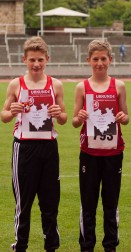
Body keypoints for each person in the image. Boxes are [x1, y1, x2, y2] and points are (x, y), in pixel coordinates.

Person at [0, 36, 67, 252]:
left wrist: (59, 113)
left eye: (40, 59)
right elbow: (4, 115)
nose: (36, 64)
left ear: (47, 59)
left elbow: (64, 118)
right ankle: (20, 245)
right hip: (24, 147)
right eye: (32, 60)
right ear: (24, 60)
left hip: (48, 147)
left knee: (50, 202)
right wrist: (12, 111)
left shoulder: (55, 84)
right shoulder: (16, 84)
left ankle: (52, 246)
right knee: (24, 202)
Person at [72, 39, 129, 252]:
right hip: (89, 152)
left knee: (110, 203)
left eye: (103, 58)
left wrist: (123, 117)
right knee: (88, 203)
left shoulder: (119, 86)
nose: (99, 63)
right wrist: (80, 116)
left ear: (110, 60)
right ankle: (87, 246)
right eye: (95, 59)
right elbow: (74, 121)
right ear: (88, 60)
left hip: (113, 152)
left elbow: (125, 118)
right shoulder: (82, 87)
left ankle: (110, 246)